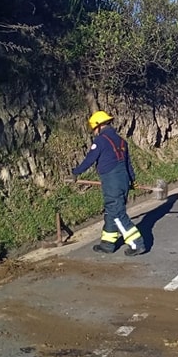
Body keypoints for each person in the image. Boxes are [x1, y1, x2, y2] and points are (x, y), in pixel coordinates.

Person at [71, 110, 146, 256]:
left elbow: (90, 159)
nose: (94, 132)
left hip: (112, 182)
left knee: (117, 213)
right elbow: (127, 163)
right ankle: (107, 244)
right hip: (123, 180)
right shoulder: (121, 141)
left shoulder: (100, 140)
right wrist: (132, 180)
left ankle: (137, 243)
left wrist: (76, 172)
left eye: (93, 129)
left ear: (98, 126)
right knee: (111, 212)